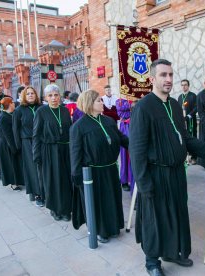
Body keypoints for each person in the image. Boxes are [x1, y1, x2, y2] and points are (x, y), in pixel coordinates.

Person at [129, 59, 205, 276]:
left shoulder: (175, 105)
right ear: (152, 79)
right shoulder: (143, 108)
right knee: (155, 217)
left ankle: (171, 252)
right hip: (155, 174)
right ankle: (152, 262)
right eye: (163, 75)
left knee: (176, 214)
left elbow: (186, 138)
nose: (169, 79)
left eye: (171, 74)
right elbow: (137, 150)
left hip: (177, 173)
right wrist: (144, 184)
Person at [70, 89, 129, 243]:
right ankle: (101, 230)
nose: (102, 103)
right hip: (93, 172)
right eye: (98, 101)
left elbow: (122, 139)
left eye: (101, 100)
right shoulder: (79, 127)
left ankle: (114, 226)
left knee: (112, 199)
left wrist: (138, 145)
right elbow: (76, 154)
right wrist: (77, 176)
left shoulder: (108, 121)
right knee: (99, 201)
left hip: (110, 168)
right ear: (89, 103)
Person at [33, 84, 72, 221]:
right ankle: (55, 208)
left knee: (66, 180)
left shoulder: (65, 110)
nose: (54, 98)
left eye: (56, 95)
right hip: (49, 150)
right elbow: (36, 134)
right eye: (50, 95)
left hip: (65, 150)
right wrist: (36, 154)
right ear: (45, 98)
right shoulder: (41, 112)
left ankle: (66, 209)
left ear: (60, 96)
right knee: (53, 180)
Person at [13, 86, 44, 206]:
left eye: (32, 93)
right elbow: (15, 129)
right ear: (24, 96)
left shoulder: (41, 108)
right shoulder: (19, 110)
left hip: (42, 141)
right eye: (28, 94)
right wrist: (19, 147)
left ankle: (46, 191)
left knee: (43, 167)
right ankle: (37, 194)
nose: (31, 95)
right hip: (27, 143)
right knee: (33, 169)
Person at [0, 97, 23, 191]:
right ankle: (13, 183)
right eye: (12, 103)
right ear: (9, 104)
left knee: (15, 163)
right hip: (7, 144)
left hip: (11, 142)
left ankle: (18, 180)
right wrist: (13, 148)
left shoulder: (9, 114)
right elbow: (7, 135)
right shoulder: (3, 117)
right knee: (10, 163)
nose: (14, 104)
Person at [177, 79, 197, 164]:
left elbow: (196, 108)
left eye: (185, 85)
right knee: (184, 138)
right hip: (183, 122)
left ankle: (193, 157)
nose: (183, 86)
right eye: (182, 85)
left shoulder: (193, 96)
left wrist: (189, 116)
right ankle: (185, 156)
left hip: (191, 121)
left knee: (192, 138)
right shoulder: (180, 97)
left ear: (188, 86)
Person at [116, 98, 132, 191]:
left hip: (136, 124)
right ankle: (124, 181)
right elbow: (120, 110)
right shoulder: (119, 100)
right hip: (125, 127)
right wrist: (130, 102)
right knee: (125, 155)